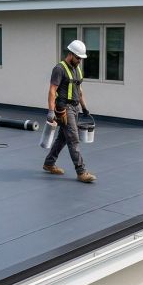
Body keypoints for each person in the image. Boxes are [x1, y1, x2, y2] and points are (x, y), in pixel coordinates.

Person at [43, 40, 97, 183]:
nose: (80, 60)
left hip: (75, 108)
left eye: (81, 58)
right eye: (78, 57)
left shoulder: (77, 69)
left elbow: (79, 90)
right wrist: (50, 111)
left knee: (63, 138)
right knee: (73, 139)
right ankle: (81, 172)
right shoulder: (59, 69)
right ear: (71, 54)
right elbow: (52, 90)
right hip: (64, 109)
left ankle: (49, 163)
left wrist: (84, 107)